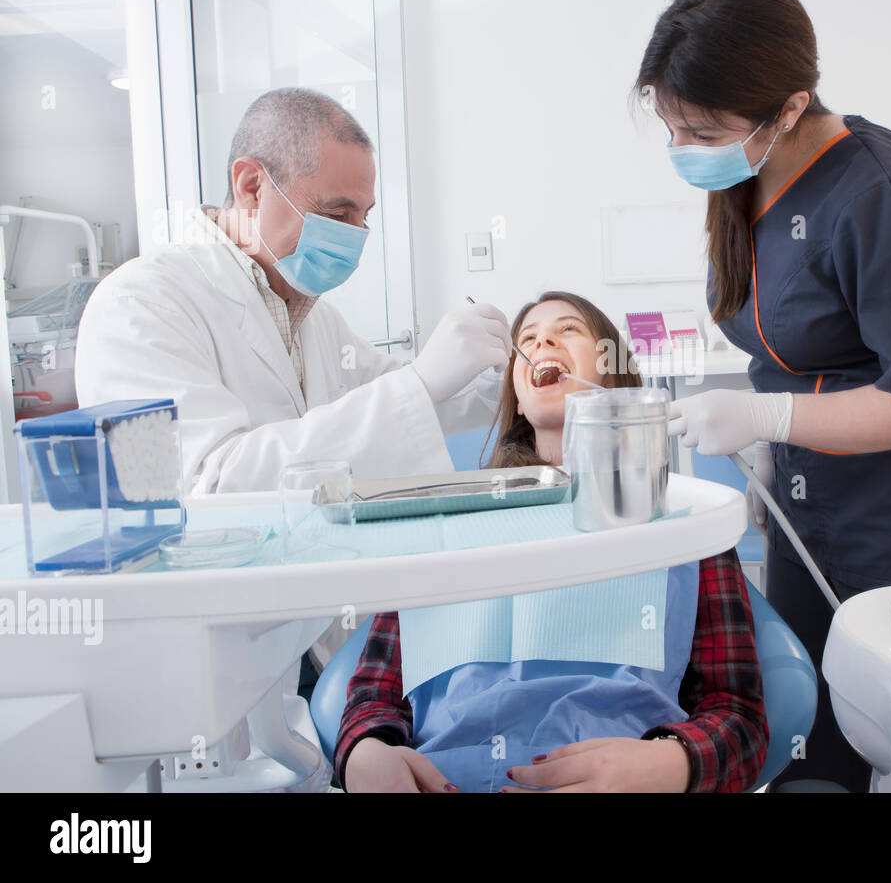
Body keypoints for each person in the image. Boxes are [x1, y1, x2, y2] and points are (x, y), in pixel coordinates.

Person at [635, 0, 891, 792]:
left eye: (701, 132)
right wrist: (776, 444)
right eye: (671, 127)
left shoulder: (887, 195)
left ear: (791, 106)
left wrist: (768, 420)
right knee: (812, 722)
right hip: (812, 505)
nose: (683, 152)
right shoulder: (749, 177)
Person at [334, 292, 768, 793]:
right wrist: (365, 755)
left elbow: (740, 717)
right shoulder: (443, 522)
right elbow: (374, 691)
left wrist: (671, 766)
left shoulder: (686, 525)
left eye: (568, 330)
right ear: (518, 398)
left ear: (612, 372)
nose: (542, 340)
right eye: (528, 338)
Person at [75, 87, 510, 496]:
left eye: (363, 215)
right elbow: (204, 485)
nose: (357, 236)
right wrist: (420, 381)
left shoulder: (311, 315)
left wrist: (501, 384)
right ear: (251, 187)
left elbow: (400, 403)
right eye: (337, 213)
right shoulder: (140, 304)